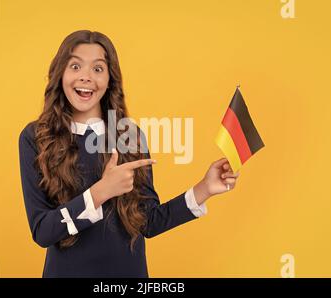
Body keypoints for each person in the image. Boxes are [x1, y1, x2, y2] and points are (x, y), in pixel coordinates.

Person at [18, 30, 239, 277]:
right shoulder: (36, 137)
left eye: (98, 69)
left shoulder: (128, 135)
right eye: (76, 66)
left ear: (110, 79)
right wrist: (101, 191)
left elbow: (148, 222)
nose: (86, 77)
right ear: (60, 73)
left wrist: (204, 188)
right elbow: (43, 231)